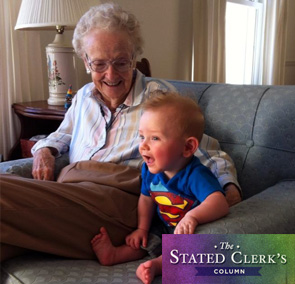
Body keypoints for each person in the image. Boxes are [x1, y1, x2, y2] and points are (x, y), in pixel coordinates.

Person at [0, 3, 240, 262]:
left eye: (121, 62)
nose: (111, 74)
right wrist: (45, 150)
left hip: (123, 202)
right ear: (86, 62)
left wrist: (228, 187)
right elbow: (63, 133)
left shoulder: (160, 99)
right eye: (100, 64)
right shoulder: (83, 97)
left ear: (134, 57)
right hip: (72, 192)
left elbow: (200, 151)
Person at [91, 91, 229, 283]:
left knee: (187, 248)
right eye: (141, 137)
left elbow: (219, 202)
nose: (143, 146)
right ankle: (114, 255)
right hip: (163, 226)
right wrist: (141, 228)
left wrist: (193, 217)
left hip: (187, 230)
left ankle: (157, 266)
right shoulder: (150, 170)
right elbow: (146, 199)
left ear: (188, 147)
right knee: (143, 241)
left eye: (154, 138)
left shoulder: (195, 175)